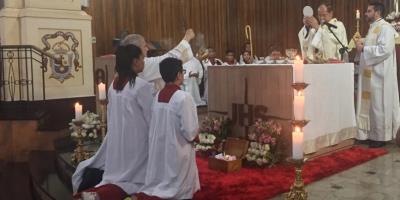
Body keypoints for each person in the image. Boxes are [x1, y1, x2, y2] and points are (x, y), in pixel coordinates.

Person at [72, 45, 153, 198]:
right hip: (138, 143)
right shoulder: (142, 86)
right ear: (135, 61)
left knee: (119, 175)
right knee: (136, 180)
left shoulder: (113, 85)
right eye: (142, 58)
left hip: (118, 140)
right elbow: (151, 119)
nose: (144, 61)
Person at [140, 57, 200, 199]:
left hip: (161, 146)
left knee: (162, 177)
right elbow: (190, 131)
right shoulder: (184, 97)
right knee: (176, 184)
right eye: (182, 72)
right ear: (179, 75)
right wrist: (196, 133)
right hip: (177, 149)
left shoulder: (158, 95)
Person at [355, 2, 400, 148]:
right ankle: (369, 134)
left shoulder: (386, 28)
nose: (366, 14)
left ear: (377, 12)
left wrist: (364, 49)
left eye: (369, 11)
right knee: (371, 105)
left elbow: (385, 49)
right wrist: (363, 43)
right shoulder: (373, 27)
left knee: (379, 105)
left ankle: (380, 137)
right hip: (370, 73)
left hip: (380, 75)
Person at [120, 29, 196, 91]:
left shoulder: (125, 65)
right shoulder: (141, 64)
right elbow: (168, 61)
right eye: (144, 46)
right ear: (136, 49)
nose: (147, 49)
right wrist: (186, 39)